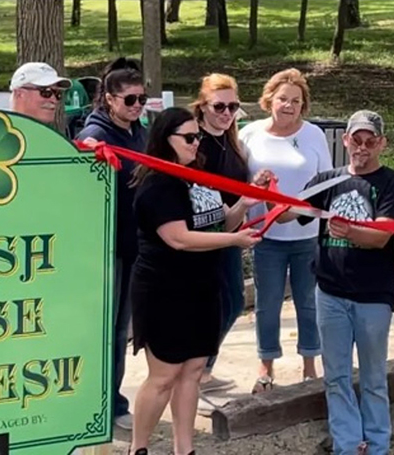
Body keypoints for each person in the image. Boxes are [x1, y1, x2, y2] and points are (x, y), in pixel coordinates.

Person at [128, 107, 265, 455]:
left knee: (193, 370)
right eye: (188, 137)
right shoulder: (157, 184)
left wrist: (244, 205)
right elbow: (179, 238)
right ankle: (138, 448)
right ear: (165, 140)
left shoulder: (200, 176)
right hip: (165, 289)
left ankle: (184, 449)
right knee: (163, 376)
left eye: (197, 136)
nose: (195, 143)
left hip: (202, 286)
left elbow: (220, 225)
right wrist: (234, 242)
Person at [276, 110, 394, 455]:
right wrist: (269, 192)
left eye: (370, 141)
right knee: (335, 376)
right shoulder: (328, 180)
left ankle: (378, 444)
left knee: (373, 377)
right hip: (330, 292)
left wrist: (350, 230)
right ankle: (348, 445)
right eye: (356, 139)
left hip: (373, 296)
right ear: (346, 140)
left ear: (381, 143)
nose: (362, 147)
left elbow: (381, 236)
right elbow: (290, 210)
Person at [240, 68, 331, 393]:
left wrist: (299, 215)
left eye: (296, 100)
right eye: (282, 99)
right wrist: (256, 187)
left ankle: (310, 365)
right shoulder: (249, 134)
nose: (288, 106)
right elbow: (239, 184)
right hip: (266, 238)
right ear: (269, 100)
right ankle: (266, 366)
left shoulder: (314, 135)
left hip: (307, 236)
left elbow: (325, 185)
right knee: (268, 302)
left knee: (309, 302)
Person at [75, 57, 148, 431]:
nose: (136, 106)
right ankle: (101, 402)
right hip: (107, 248)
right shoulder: (97, 134)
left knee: (122, 329)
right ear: (109, 99)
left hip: (134, 243)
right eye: (129, 100)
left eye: (142, 99)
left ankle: (112, 398)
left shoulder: (139, 133)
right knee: (107, 330)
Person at [189, 73, 248, 396]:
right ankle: (195, 370)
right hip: (204, 234)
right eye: (219, 106)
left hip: (231, 233)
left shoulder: (232, 140)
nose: (226, 113)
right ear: (202, 107)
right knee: (214, 304)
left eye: (233, 107)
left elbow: (238, 184)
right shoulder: (193, 141)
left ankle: (203, 368)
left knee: (233, 301)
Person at [9, 62, 72, 126]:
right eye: (46, 92)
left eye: (57, 93)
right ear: (19, 94)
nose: (54, 100)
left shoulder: (48, 135)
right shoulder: (1, 133)